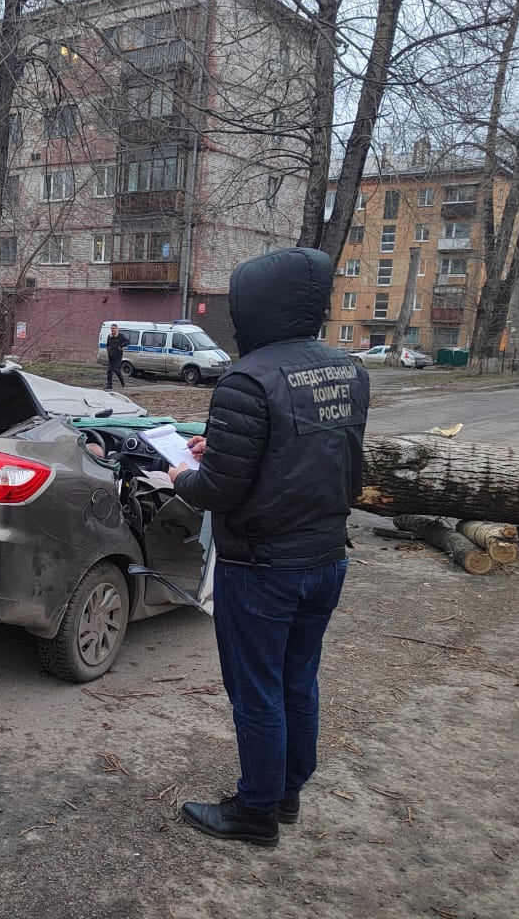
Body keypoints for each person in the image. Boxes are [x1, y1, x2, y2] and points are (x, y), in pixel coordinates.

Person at [167, 247, 369, 848]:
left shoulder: (246, 379)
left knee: (256, 689)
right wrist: (222, 447)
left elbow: (218, 491)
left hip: (260, 567)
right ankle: (286, 792)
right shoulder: (348, 371)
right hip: (326, 557)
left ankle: (254, 810)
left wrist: (179, 476)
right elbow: (310, 455)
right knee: (297, 680)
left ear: (254, 305)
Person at [105, 323, 130, 389]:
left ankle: (123, 383)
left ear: (116, 329)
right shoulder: (109, 336)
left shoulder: (121, 336)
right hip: (111, 356)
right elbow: (107, 345)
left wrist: (121, 346)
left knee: (116, 370)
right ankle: (109, 385)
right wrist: (108, 350)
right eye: (111, 328)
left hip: (118, 356)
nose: (112, 330)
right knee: (109, 370)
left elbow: (127, 341)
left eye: (113, 328)